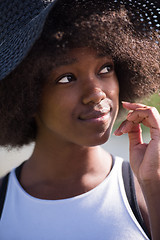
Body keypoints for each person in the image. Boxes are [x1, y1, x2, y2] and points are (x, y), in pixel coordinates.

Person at [0, 0, 160, 239]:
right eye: (66, 78)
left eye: (105, 68)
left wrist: (153, 184)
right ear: (26, 96)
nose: (96, 93)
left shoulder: (146, 191)